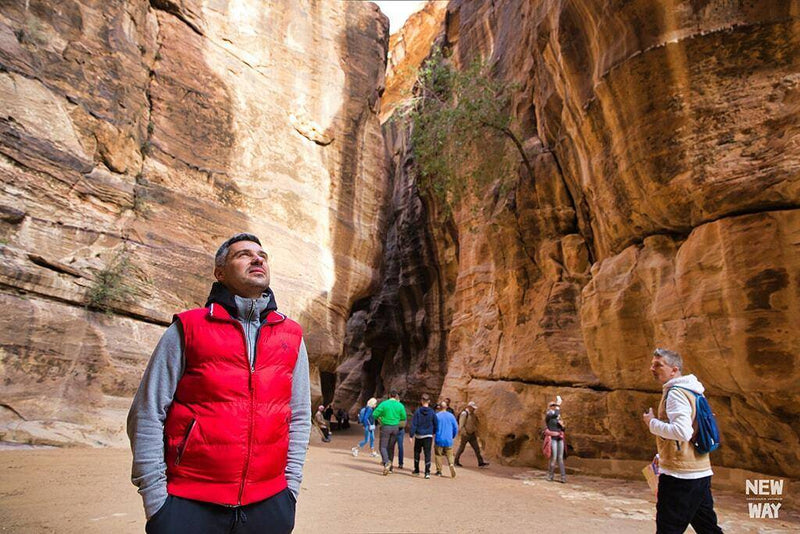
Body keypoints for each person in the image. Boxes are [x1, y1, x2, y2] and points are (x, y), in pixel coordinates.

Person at [127, 233, 311, 534]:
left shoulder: (290, 335)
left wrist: (290, 488)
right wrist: (156, 500)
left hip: (270, 503)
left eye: (262, 255)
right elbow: (147, 412)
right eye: (243, 254)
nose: (257, 258)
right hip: (189, 502)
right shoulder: (188, 328)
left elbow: (300, 415)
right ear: (220, 273)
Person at [643, 348, 723, 534]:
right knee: (707, 528)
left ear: (674, 370)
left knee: (668, 529)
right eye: (652, 364)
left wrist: (651, 422)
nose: (652, 368)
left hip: (680, 477)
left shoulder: (676, 393)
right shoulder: (693, 390)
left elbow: (682, 432)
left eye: (658, 365)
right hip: (699, 471)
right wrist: (662, 455)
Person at [371, 390, 407, 475]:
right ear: (396, 396)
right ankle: (390, 468)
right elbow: (404, 417)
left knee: (383, 447)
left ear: (389, 395)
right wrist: (396, 418)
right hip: (395, 427)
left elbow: (374, 414)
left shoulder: (384, 404)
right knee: (391, 447)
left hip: (386, 426)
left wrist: (380, 419)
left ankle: (387, 462)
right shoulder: (400, 405)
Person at [409, 393, 438, 478]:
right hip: (428, 435)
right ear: (429, 401)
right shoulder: (432, 412)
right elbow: (436, 423)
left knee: (417, 452)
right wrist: (433, 432)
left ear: (422, 401)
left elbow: (414, 424)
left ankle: (416, 470)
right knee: (427, 453)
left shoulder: (418, 411)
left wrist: (411, 435)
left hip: (419, 435)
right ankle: (427, 472)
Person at [455, 401, 489, 467]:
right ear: (469, 407)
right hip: (466, 434)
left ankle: (480, 462)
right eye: (473, 408)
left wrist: (475, 431)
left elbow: (474, 423)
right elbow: (461, 425)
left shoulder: (473, 414)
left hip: (472, 434)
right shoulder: (464, 414)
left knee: (477, 449)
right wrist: (464, 433)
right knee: (461, 448)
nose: (474, 409)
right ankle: (456, 461)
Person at [543, 396, 566, 483]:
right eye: (552, 405)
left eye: (554, 405)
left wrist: (562, 426)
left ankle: (563, 477)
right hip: (552, 438)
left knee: (560, 458)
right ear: (549, 407)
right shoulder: (549, 415)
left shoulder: (557, 417)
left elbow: (562, 429)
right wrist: (558, 404)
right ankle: (550, 475)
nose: (554, 406)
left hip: (559, 438)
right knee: (554, 457)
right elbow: (555, 415)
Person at [434, 402, 459, 477]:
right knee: (450, 454)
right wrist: (453, 435)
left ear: (439, 407)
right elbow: (455, 427)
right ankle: (451, 464)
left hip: (439, 438)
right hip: (448, 439)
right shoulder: (451, 416)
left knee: (438, 455)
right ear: (446, 407)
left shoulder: (437, 416)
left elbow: (434, 426)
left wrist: (434, 433)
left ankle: (439, 471)